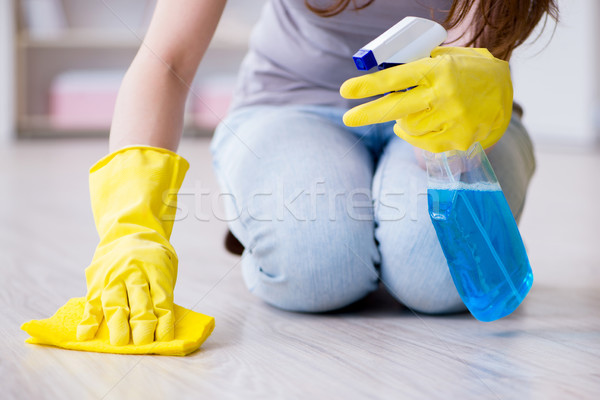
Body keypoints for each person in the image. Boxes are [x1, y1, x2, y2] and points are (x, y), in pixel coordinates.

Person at [75, 0, 559, 346]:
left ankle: (365, 235)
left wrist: (452, 118)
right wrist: (130, 228)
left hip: (456, 101)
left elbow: (460, 70)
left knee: (439, 278)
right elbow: (167, 59)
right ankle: (307, 228)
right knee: (316, 267)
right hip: (290, 101)